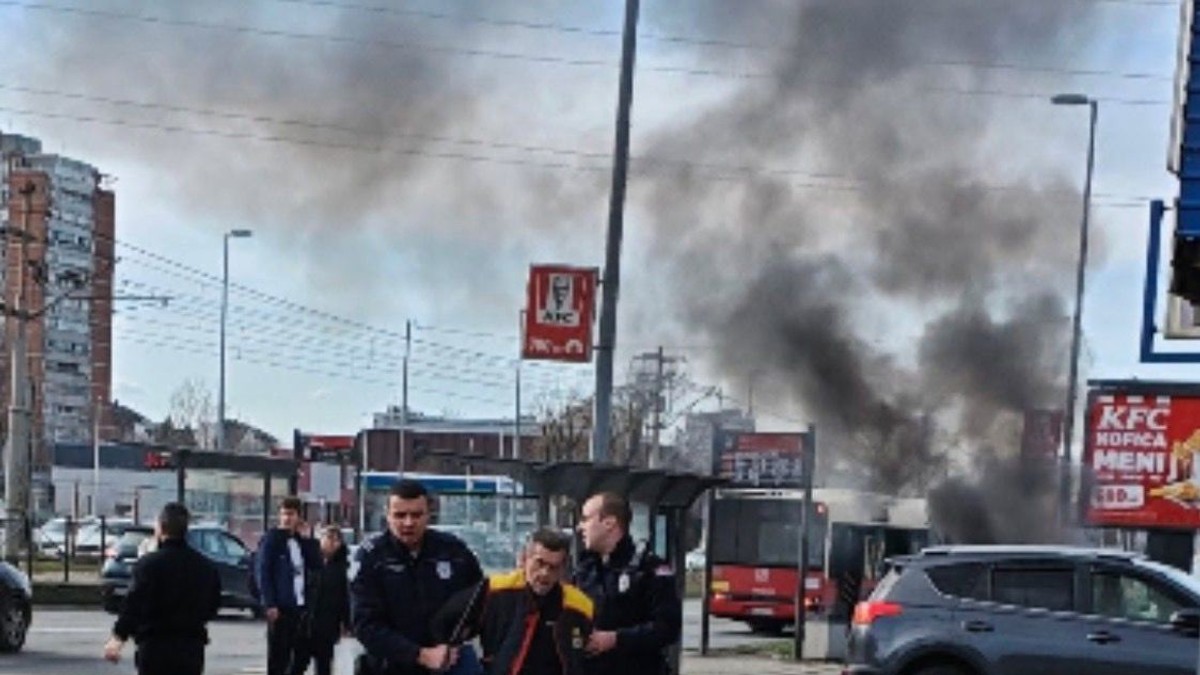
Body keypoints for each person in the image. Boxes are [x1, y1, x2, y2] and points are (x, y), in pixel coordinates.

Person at [352, 478, 485, 674]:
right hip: (391, 666)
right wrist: (420, 655)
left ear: (428, 515)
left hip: (447, 664)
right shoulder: (372, 558)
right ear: (387, 516)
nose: (408, 522)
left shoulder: (453, 551)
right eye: (400, 515)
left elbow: (479, 599)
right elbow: (365, 625)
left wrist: (459, 639)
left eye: (416, 515)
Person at [432, 527, 594, 675]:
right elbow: (445, 623)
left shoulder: (579, 605)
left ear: (563, 569)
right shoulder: (494, 591)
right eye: (539, 563)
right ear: (524, 559)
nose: (544, 573)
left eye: (554, 567)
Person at [102, 502, 220, 675]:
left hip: (154, 645)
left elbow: (134, 604)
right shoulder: (205, 567)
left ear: (161, 528)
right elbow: (212, 606)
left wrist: (118, 637)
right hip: (190, 647)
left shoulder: (148, 565)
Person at [573, 492, 682, 675]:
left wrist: (616, 639)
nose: (579, 527)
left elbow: (667, 627)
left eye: (585, 519)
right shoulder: (585, 569)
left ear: (609, 523)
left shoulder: (648, 569)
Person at [256, 496, 322, 675]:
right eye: (284, 514)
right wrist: (270, 603)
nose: (287, 518)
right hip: (281, 607)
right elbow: (263, 572)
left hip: (300, 607)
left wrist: (308, 539)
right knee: (279, 657)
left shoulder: (300, 542)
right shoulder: (272, 540)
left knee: (301, 654)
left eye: (291, 514)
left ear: (299, 517)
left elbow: (316, 564)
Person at [292, 525, 352, 675]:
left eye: (337, 540)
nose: (333, 543)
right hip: (304, 624)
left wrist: (346, 623)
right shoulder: (308, 560)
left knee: (324, 667)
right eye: (329, 538)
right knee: (296, 665)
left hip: (327, 626)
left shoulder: (341, 567)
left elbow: (344, 597)